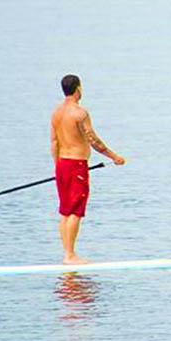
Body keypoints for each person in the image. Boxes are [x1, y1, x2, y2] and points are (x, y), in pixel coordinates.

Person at [50, 74, 127, 264]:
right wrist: (114, 156)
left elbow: (53, 142)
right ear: (78, 88)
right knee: (75, 210)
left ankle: (67, 253)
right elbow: (94, 141)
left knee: (65, 211)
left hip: (61, 163)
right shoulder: (80, 113)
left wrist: (58, 166)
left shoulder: (56, 113)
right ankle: (70, 255)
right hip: (76, 165)